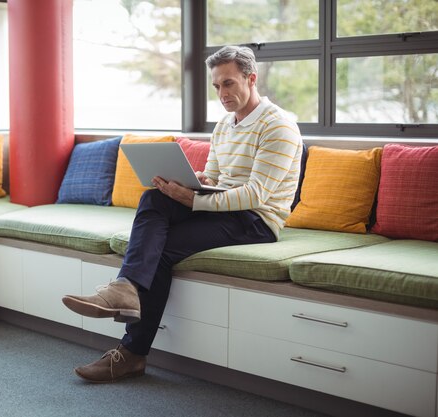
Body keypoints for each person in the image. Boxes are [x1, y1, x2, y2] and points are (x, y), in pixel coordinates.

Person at [62, 45, 303, 383]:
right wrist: (194, 182)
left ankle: (131, 350)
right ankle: (126, 288)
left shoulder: (278, 126)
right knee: (154, 199)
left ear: (252, 78)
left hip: (255, 220)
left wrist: (193, 201)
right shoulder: (224, 125)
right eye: (217, 86)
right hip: (222, 209)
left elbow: (255, 194)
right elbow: (216, 179)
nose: (222, 93)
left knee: (160, 250)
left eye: (229, 84)